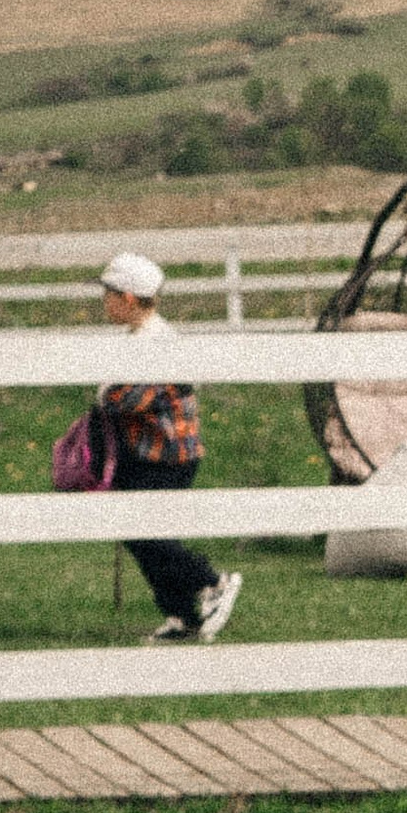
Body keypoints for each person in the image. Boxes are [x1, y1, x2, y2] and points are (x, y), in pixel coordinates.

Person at [91, 251, 242, 643]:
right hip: (144, 453)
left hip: (166, 456)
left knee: (148, 531)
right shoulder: (140, 338)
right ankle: (180, 614)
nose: (104, 303)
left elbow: (128, 399)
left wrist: (108, 394)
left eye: (108, 294)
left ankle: (211, 582)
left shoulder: (158, 341)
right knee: (139, 532)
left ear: (126, 297)